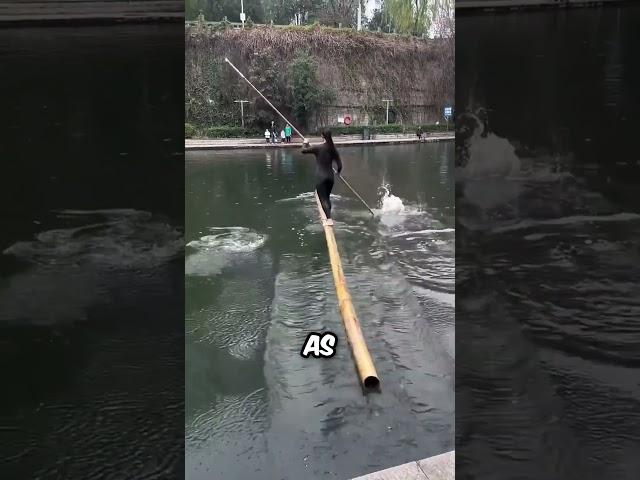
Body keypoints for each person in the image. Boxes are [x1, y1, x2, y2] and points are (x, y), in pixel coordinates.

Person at [301, 129, 342, 226]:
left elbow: (303, 151)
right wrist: (338, 173)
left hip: (321, 178)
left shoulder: (318, 148)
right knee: (327, 198)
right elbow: (340, 165)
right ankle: (329, 216)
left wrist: (305, 143)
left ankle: (328, 220)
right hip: (330, 178)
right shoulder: (333, 149)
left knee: (323, 199)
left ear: (322, 136)